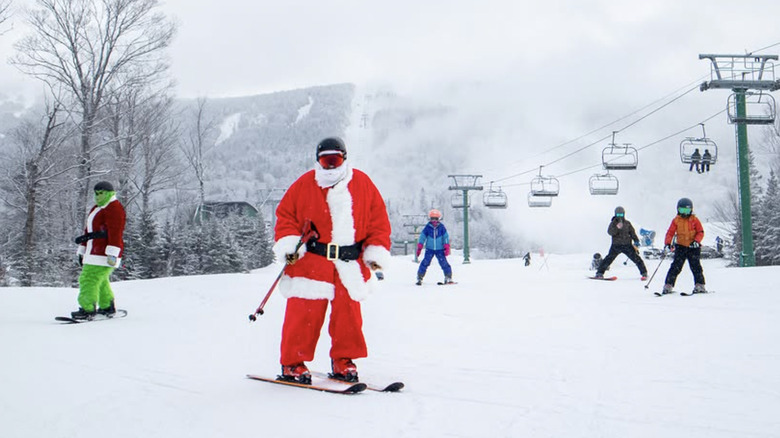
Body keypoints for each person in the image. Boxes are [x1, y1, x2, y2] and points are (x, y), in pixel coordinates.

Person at [273, 137, 391, 384]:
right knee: (304, 312)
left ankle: (343, 360)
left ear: (344, 159)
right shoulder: (304, 185)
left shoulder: (362, 184)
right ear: (317, 161)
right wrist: (289, 245)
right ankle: (292, 363)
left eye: (334, 160)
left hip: (349, 261)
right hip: (313, 260)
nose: (329, 166)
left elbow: (378, 220)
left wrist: (375, 251)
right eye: (324, 161)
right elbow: (285, 217)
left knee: (348, 316)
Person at [72, 181, 126, 320]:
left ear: (109, 193)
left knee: (88, 279)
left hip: (104, 252)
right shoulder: (98, 208)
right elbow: (88, 230)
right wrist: (83, 249)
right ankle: (107, 306)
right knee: (100, 280)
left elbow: (116, 231)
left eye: (101, 193)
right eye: (96, 193)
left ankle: (87, 308)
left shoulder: (114, 208)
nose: (98, 196)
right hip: (94, 250)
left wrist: (112, 253)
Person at [660, 198, 706, 294]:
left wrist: (696, 241)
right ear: (678, 210)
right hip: (681, 246)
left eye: (687, 210)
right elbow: (670, 233)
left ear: (691, 210)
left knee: (695, 266)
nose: (684, 213)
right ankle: (668, 285)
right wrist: (668, 243)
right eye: (682, 210)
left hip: (693, 247)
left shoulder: (694, 220)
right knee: (676, 266)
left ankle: (700, 285)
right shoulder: (676, 220)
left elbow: (700, 232)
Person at [594, 206, 648, 280]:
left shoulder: (627, 223)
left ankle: (644, 273)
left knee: (637, 259)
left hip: (627, 245)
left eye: (621, 215)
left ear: (624, 214)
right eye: (618, 215)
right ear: (615, 214)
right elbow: (610, 232)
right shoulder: (613, 223)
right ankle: (599, 273)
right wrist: (617, 227)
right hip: (616, 245)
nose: (620, 217)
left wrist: (636, 240)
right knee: (608, 259)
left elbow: (632, 232)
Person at [415, 209, 453, 285]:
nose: (434, 221)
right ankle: (420, 277)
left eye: (436, 219)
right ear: (430, 219)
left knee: (444, 263)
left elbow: (445, 236)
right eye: (432, 219)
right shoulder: (428, 227)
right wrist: (420, 245)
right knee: (425, 262)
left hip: (440, 249)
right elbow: (422, 236)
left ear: (439, 219)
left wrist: (446, 245)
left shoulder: (441, 227)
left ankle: (448, 276)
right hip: (430, 249)